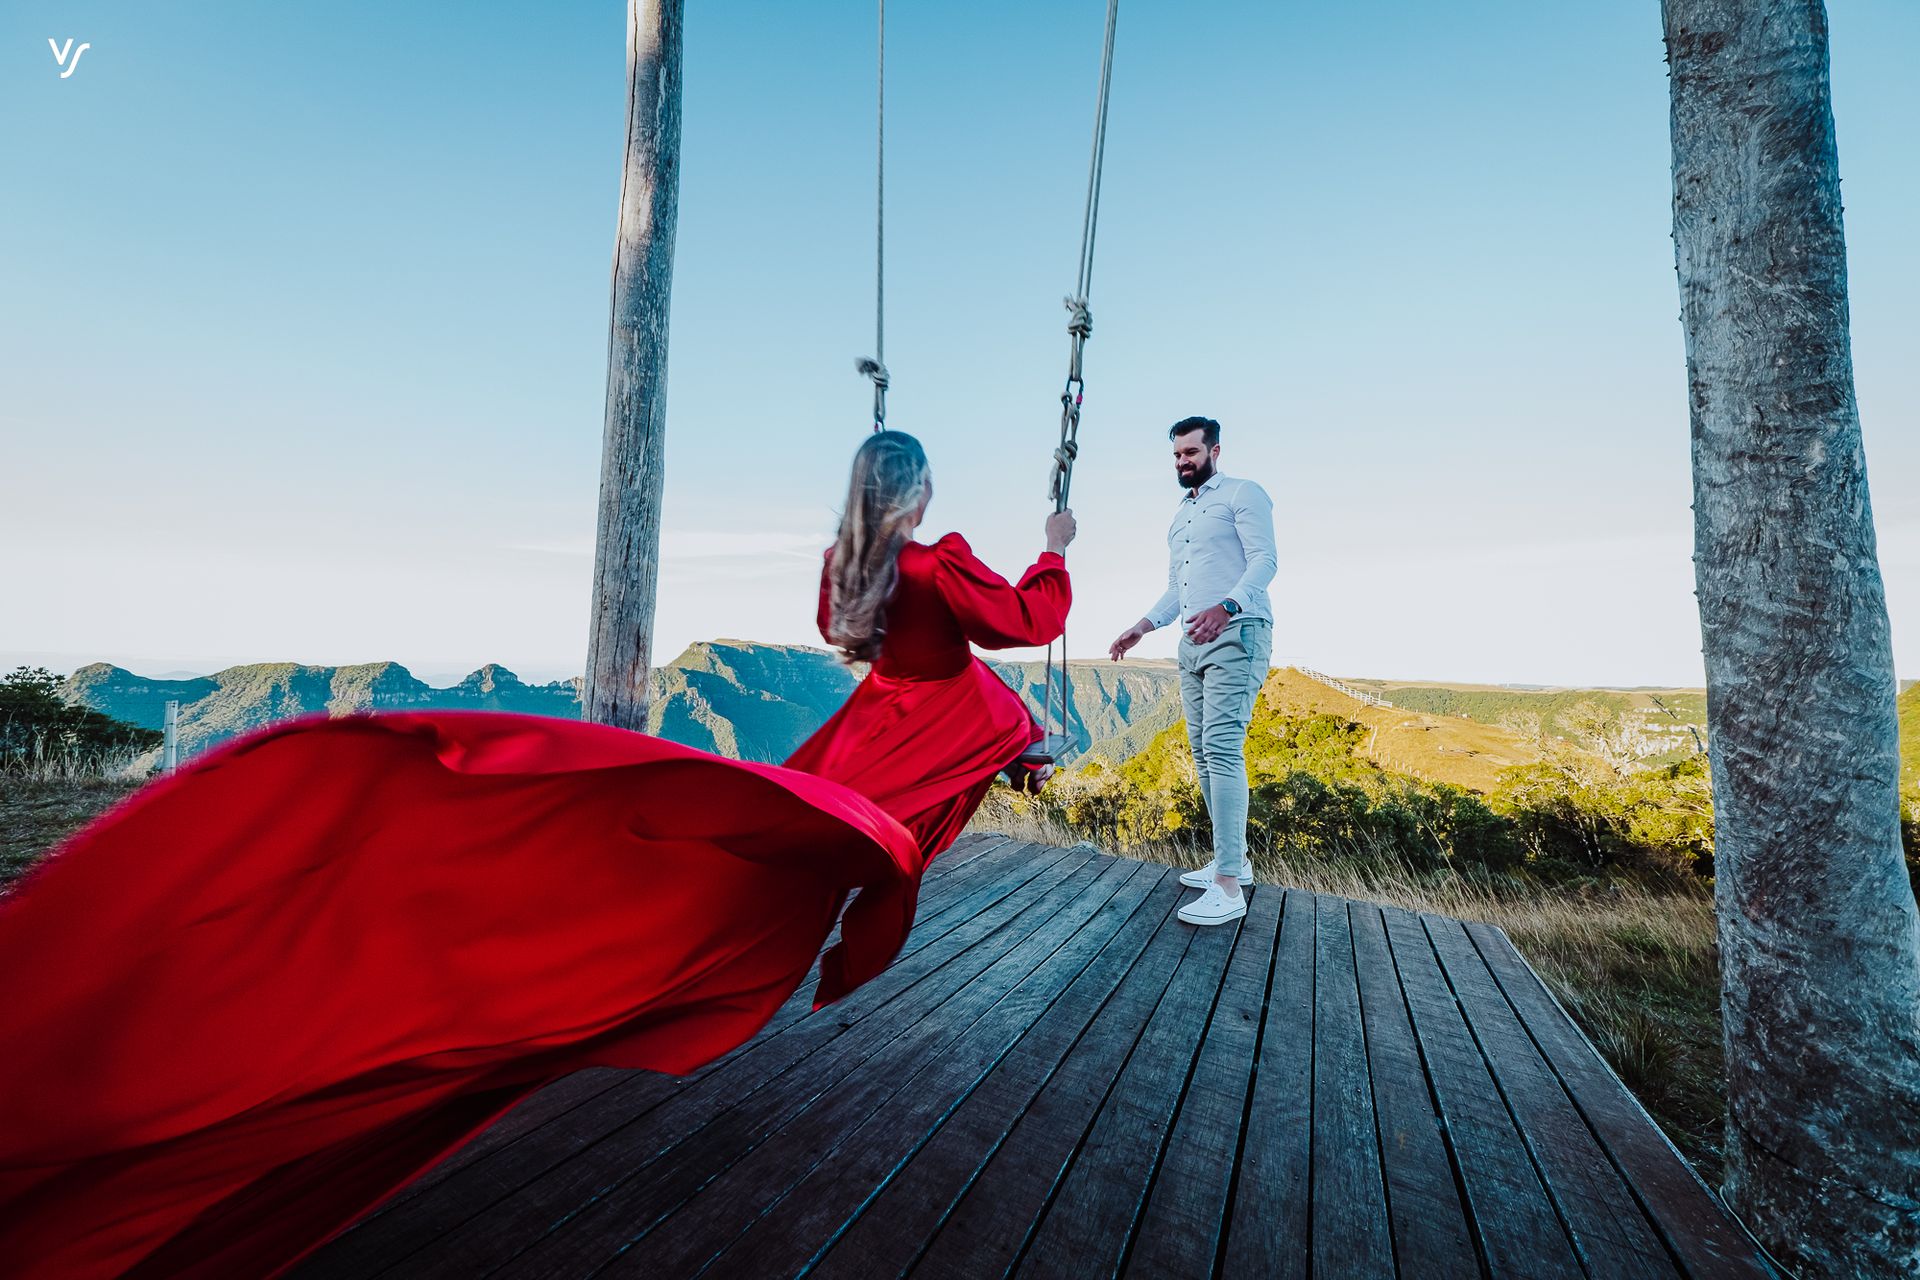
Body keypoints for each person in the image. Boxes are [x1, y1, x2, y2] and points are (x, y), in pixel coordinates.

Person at [0, 429, 1073, 1279]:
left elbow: (851, 634)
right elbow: (1020, 617)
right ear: (919, 495)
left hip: (876, 714)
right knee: (984, 723)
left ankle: (1014, 758)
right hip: (935, 717)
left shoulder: (850, 563)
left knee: (839, 808)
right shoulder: (939, 559)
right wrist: (1057, 545)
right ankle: (1027, 757)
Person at [1109, 416, 1276, 926]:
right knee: (1203, 753)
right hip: (1190, 641)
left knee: (1223, 748)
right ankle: (1234, 863)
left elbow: (1265, 561)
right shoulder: (1180, 516)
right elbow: (1177, 589)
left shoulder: (1243, 494)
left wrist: (1226, 607)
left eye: (1191, 453)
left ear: (1215, 451)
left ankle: (1228, 885)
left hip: (1237, 631)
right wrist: (1143, 625)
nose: (1183, 462)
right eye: (1177, 455)